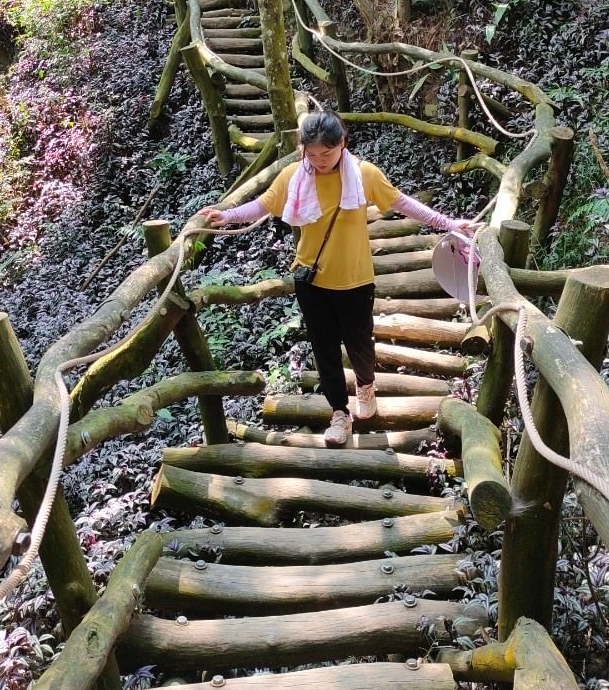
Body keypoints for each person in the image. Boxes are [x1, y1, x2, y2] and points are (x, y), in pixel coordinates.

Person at [199, 110, 475, 447]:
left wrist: (447, 223)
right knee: (324, 349)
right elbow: (260, 206)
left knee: (361, 345)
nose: (318, 162)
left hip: (356, 280)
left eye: (326, 154)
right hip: (311, 281)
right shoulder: (293, 176)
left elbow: (402, 203)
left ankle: (366, 385)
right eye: (310, 154)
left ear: (342, 143)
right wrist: (225, 215)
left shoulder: (363, 174)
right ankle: (339, 414)